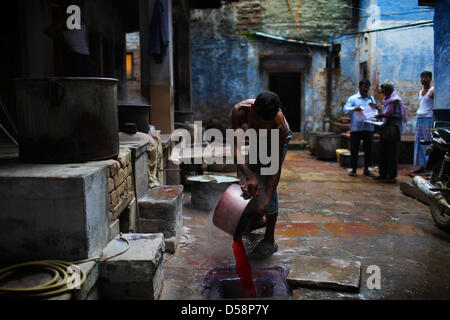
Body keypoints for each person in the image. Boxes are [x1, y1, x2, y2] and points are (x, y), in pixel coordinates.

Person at [231, 92, 292, 259]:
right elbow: (235, 149)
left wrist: (267, 198)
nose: (265, 128)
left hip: (276, 141)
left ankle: (269, 239)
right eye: (260, 124)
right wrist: (249, 175)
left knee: (265, 182)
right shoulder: (239, 111)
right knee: (251, 175)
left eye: (268, 125)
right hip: (256, 140)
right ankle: (256, 219)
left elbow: (275, 168)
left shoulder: (279, 126)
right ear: (252, 109)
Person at [374, 81, 407, 184]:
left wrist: (384, 116)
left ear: (388, 90)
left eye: (383, 89)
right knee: (383, 152)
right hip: (385, 128)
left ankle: (391, 175)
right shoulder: (387, 100)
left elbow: (397, 115)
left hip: (393, 129)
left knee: (392, 153)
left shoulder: (395, 101)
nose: (382, 91)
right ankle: (382, 173)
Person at [343, 80, 378, 177]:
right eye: (363, 87)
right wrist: (354, 108)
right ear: (359, 87)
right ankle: (353, 169)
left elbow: (375, 111)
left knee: (368, 149)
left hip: (368, 127)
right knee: (354, 149)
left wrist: (374, 117)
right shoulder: (353, 99)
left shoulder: (371, 99)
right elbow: (345, 109)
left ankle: (366, 169)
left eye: (367, 87)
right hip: (356, 128)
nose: (365, 89)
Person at [413, 71, 434, 174]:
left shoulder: (432, 91)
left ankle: (429, 166)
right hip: (420, 118)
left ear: (430, 79)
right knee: (419, 142)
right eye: (422, 78)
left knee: (427, 142)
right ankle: (421, 165)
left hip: (428, 118)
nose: (423, 79)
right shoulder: (420, 92)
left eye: (425, 77)